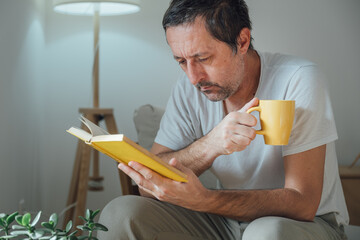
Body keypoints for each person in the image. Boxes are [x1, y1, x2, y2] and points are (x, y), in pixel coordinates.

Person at [98, 0, 349, 239]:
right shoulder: (190, 89)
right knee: (120, 213)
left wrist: (205, 199)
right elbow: (147, 187)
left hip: (305, 224)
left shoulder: (298, 79)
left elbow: (302, 203)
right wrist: (210, 146)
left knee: (265, 233)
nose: (193, 77)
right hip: (225, 219)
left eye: (203, 59)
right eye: (181, 62)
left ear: (242, 41)